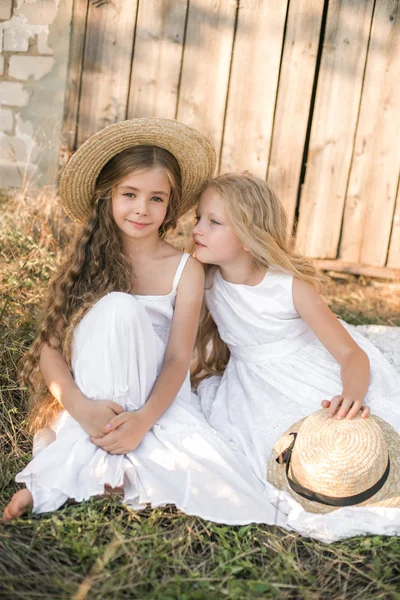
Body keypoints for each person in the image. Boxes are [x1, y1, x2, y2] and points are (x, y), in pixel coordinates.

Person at [2, 120, 273, 524]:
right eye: (129, 194)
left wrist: (144, 419)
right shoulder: (87, 262)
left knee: (227, 486)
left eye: (156, 198)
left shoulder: (185, 269)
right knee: (116, 308)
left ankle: (80, 472)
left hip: (155, 397)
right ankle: (76, 468)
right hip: (93, 398)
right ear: (108, 196)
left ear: (170, 205)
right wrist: (79, 406)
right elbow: (51, 349)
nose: (142, 209)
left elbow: (179, 358)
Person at [192, 172, 400, 542]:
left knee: (335, 440)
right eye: (198, 218)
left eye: (214, 222)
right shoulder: (204, 279)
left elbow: (350, 354)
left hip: (309, 370)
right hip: (254, 382)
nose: (197, 229)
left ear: (247, 235)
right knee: (274, 451)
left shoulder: (288, 286)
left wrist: (351, 393)